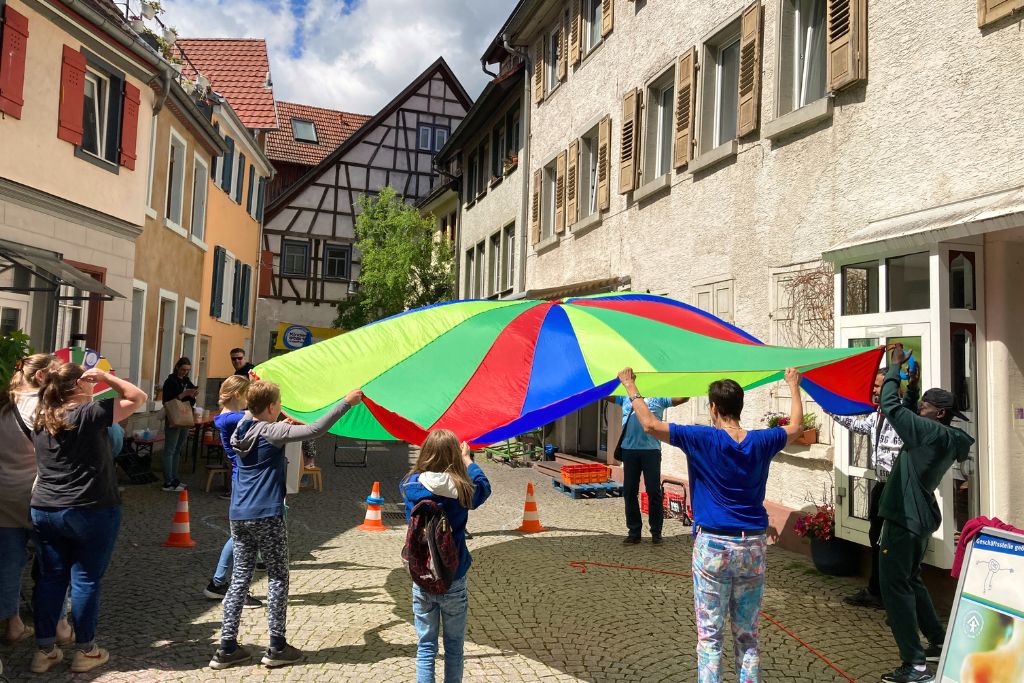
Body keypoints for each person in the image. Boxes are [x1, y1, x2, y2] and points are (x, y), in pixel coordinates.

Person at [618, 366, 805, 683]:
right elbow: (797, 427)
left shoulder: (701, 438)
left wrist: (630, 386)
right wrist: (793, 384)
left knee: (710, 636)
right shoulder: (763, 440)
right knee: (748, 635)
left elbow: (649, 424)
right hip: (752, 546)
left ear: (714, 408)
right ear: (740, 407)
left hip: (713, 547)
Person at [209, 382, 363, 669]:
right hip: (267, 514)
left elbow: (257, 419)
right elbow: (315, 429)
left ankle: (227, 648)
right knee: (278, 577)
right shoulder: (272, 431)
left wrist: (274, 412)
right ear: (271, 407)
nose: (280, 409)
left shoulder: (241, 428)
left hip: (238, 514)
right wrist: (346, 402)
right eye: (278, 404)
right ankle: (277, 646)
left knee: (240, 578)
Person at [29, 363, 147, 673]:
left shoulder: (42, 417)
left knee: (51, 578)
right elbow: (137, 397)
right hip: (90, 508)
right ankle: (86, 650)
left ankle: (44, 651)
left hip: (45, 508)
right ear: (79, 384)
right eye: (88, 380)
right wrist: (107, 377)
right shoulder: (88, 413)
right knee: (86, 580)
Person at [877, 345, 974, 683]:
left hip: (904, 519)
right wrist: (913, 386)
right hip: (917, 520)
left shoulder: (929, 432)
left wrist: (893, 369)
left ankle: (915, 665)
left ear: (940, 413)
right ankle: (938, 640)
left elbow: (890, 406)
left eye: (925, 405)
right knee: (911, 580)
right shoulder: (942, 435)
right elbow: (907, 412)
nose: (920, 408)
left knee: (895, 588)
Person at [402, 429, 492, 683]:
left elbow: (414, 480)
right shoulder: (463, 490)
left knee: (425, 647)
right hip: (454, 576)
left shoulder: (410, 486)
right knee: (454, 647)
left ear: (425, 453)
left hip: (423, 575)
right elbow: (484, 487)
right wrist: (468, 460)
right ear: (454, 455)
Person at [828, 367, 918, 609]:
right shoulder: (877, 414)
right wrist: (830, 408)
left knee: (891, 541)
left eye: (878, 386)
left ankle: (892, 593)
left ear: (892, 387)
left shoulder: (904, 412)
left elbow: (910, 407)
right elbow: (859, 426)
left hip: (899, 487)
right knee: (876, 537)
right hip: (881, 484)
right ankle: (876, 590)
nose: (874, 390)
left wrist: (912, 384)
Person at [0, 354, 72, 647]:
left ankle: (13, 623)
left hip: (4, 493)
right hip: (39, 493)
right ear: (42, 376)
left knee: (8, 563)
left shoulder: (4, 405)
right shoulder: (46, 408)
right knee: (53, 562)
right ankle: (59, 624)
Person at [203, 376, 261, 609]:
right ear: (237, 394)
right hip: (245, 482)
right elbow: (260, 416)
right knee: (244, 537)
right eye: (247, 394)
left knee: (243, 535)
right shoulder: (232, 419)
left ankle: (218, 583)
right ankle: (229, 587)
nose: (249, 399)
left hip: (245, 481)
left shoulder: (231, 416)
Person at [610, 394, 687, 545]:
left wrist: (690, 387)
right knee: (629, 492)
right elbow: (605, 395)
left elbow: (681, 399)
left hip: (651, 451)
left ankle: (656, 533)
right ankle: (634, 532)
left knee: (653, 492)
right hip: (629, 451)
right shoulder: (626, 397)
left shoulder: (658, 397)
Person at [161, 357, 198, 492]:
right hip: (173, 417)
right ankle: (168, 481)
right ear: (177, 367)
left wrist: (193, 394)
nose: (185, 372)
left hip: (184, 417)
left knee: (178, 449)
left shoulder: (187, 381)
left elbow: (190, 401)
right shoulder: (170, 381)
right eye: (183, 369)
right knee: (170, 450)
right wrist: (183, 394)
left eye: (187, 370)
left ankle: (175, 478)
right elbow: (167, 401)